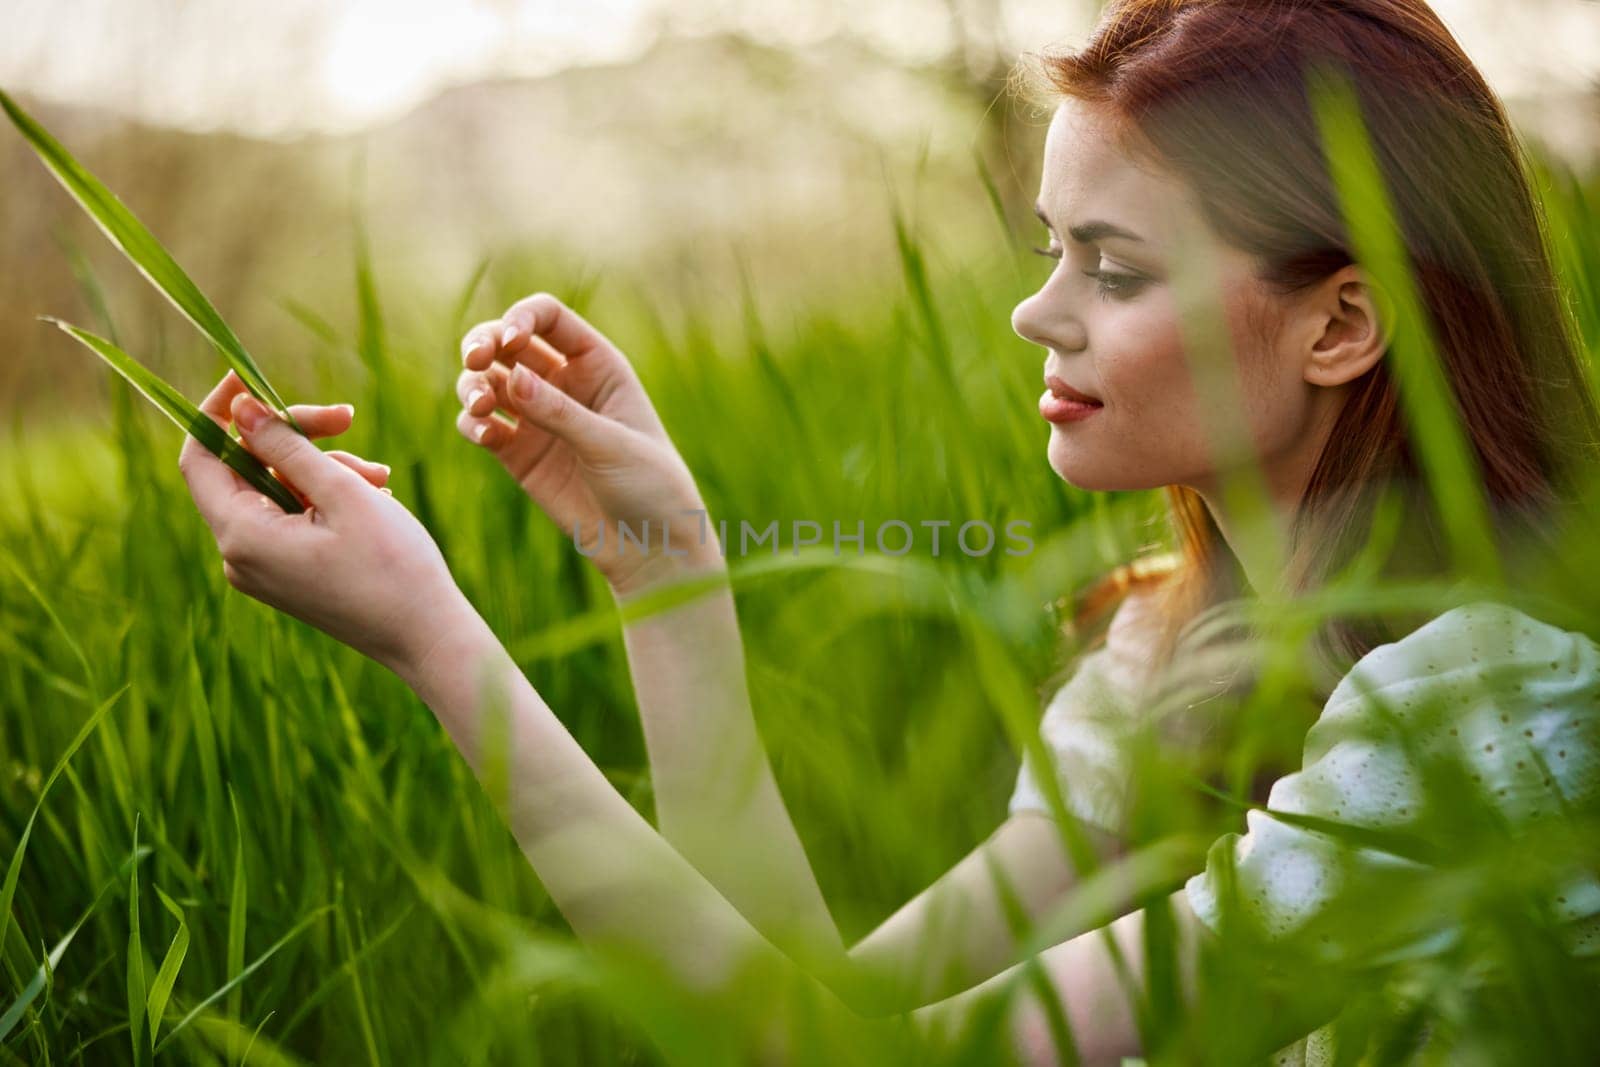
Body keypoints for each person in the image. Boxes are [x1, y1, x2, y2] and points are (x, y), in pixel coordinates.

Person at [177, 0, 1600, 1062]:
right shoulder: (1167, 663)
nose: (1038, 315)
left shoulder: (1486, 718)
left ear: (1341, 320)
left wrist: (440, 648)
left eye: (1112, 267)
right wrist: (663, 567)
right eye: (1052, 246)